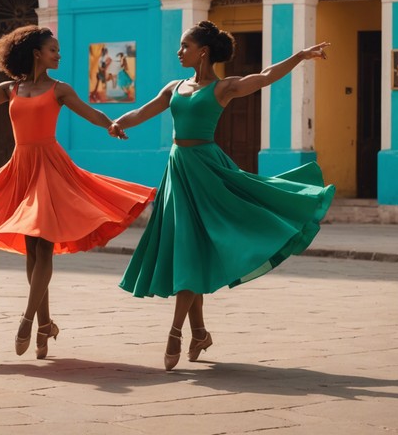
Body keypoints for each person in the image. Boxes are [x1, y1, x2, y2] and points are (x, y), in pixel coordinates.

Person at [0, 25, 155, 360]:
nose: (59, 54)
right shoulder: (12, 88)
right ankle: (46, 323)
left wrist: (110, 124)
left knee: (43, 248)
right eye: (54, 49)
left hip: (50, 170)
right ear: (37, 52)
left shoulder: (60, 89)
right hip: (20, 169)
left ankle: (27, 321)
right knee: (32, 250)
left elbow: (90, 111)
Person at [109, 20, 336, 371]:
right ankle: (198, 332)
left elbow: (263, 77)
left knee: (190, 248)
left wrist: (301, 56)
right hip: (178, 171)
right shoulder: (174, 87)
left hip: (208, 171)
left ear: (203, 51)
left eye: (185, 46)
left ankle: (175, 333)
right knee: (188, 248)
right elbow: (144, 111)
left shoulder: (222, 88)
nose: (179, 51)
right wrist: (119, 123)